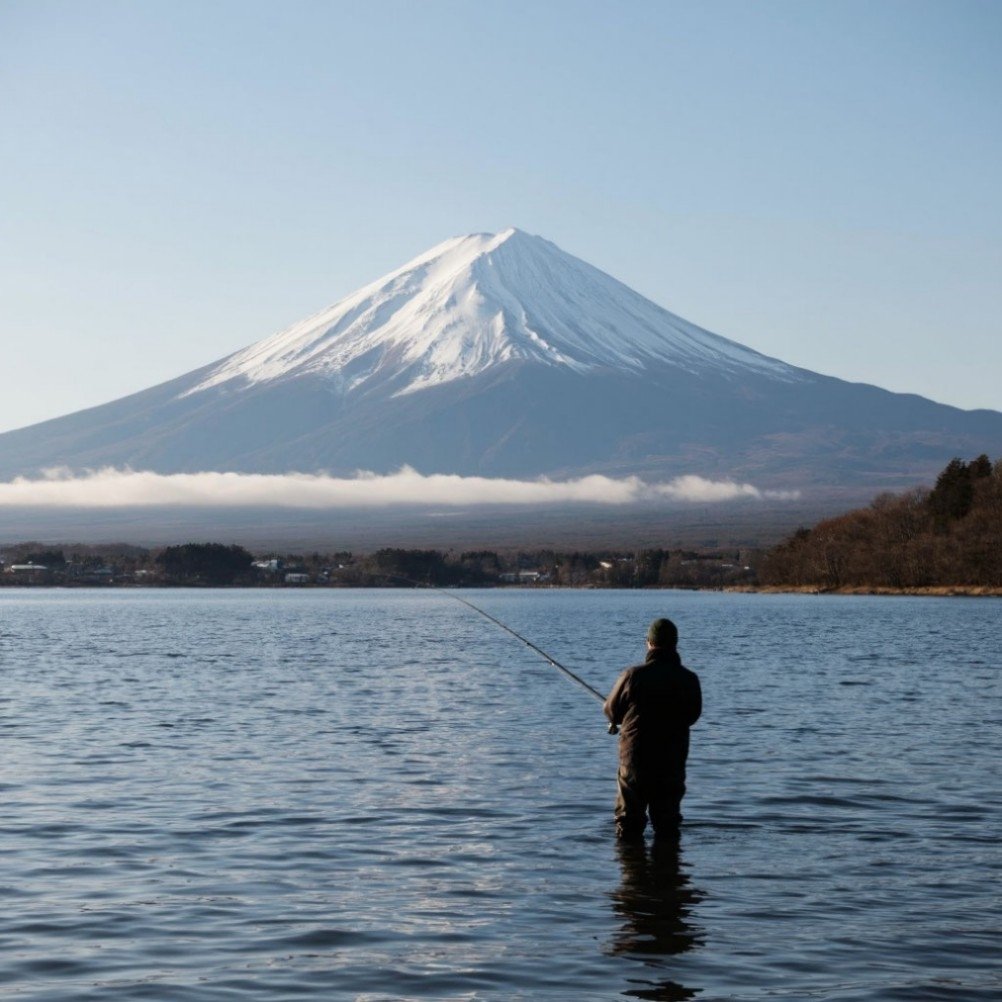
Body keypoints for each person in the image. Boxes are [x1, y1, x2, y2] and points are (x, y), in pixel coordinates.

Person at [604, 617, 702, 840]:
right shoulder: (689, 679)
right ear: (675, 644)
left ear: (648, 643)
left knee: (628, 827)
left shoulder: (632, 676)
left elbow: (611, 711)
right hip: (671, 763)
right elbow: (693, 716)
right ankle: (669, 871)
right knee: (667, 827)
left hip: (635, 763)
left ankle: (633, 869)